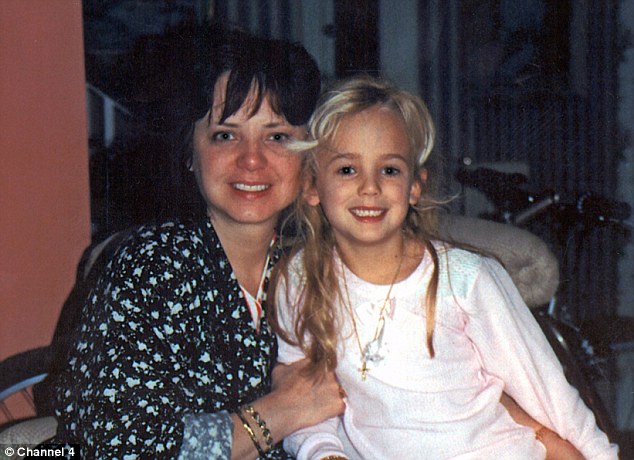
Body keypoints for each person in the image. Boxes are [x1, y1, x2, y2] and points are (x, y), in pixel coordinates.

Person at [272, 75, 619, 459]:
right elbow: (300, 396)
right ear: (312, 186)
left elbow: (548, 390)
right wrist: (322, 452)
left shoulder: (466, 278)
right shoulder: (300, 279)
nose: (370, 187)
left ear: (414, 186)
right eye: (347, 170)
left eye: (389, 170)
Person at [50, 27, 346, 459]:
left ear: (309, 158)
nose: (251, 159)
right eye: (225, 135)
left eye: (277, 136)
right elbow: (119, 447)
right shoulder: (149, 267)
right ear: (190, 152)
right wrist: (279, 413)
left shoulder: (327, 268)